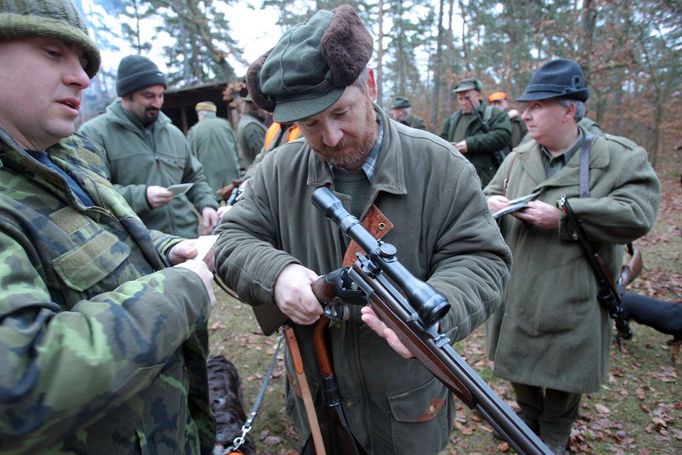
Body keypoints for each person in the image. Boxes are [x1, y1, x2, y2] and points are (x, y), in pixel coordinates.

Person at [214, 5, 511, 454]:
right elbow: (232, 242)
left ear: (368, 87)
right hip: (317, 399)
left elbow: (481, 259)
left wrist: (436, 314)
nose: (330, 137)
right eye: (310, 124)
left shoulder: (441, 165)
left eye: (341, 113)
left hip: (407, 407)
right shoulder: (278, 169)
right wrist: (278, 275)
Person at [0, 1, 216, 452]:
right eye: (52, 52)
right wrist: (181, 288)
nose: (81, 77)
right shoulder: (94, 137)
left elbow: (95, 238)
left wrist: (170, 248)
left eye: (84, 62)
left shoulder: (66, 157)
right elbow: (17, 386)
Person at [484, 59, 660, 454]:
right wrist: (491, 202)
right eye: (526, 105)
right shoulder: (517, 157)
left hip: (573, 290)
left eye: (537, 105)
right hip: (521, 288)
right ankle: (527, 418)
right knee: (519, 364)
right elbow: (484, 197)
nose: (525, 113)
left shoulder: (618, 157)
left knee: (565, 373)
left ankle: (555, 435)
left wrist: (566, 214)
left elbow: (638, 214)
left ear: (568, 109)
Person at [79, 55, 219, 238]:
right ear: (126, 95)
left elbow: (194, 176)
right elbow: (90, 193)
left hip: (186, 239)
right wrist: (142, 197)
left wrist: (207, 204)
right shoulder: (94, 134)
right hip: (136, 246)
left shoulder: (173, 133)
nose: (157, 103)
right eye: (149, 96)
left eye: (161, 96)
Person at [439, 79, 512, 187]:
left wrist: (470, 144)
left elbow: (503, 135)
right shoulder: (452, 120)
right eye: (460, 99)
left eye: (468, 98)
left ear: (478, 95)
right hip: (456, 180)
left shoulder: (494, 114)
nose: (464, 102)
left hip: (485, 180)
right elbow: (441, 142)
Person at [187, 101, 240, 194]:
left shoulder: (194, 131)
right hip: (231, 182)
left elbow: (190, 159)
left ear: (201, 113)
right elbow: (236, 150)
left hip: (210, 184)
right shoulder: (226, 124)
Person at [236, 97, 267, 169]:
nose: (267, 111)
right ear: (256, 107)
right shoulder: (252, 126)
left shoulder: (247, 121)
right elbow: (264, 157)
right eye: (264, 107)